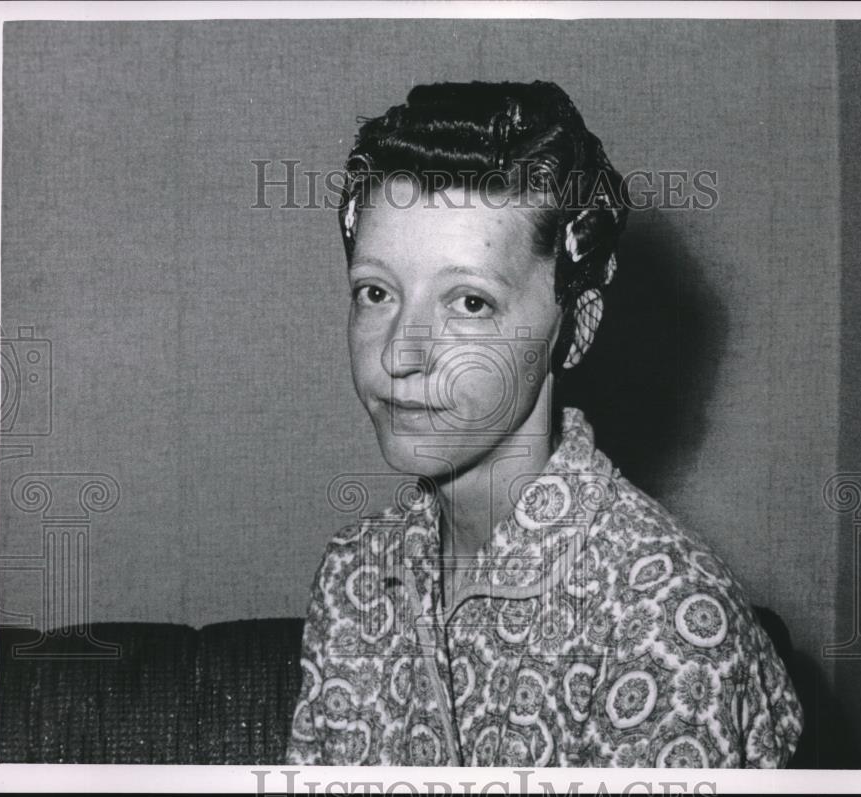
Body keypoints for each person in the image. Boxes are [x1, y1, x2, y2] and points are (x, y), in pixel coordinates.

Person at [285, 80, 803, 767]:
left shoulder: (666, 624)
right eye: (375, 292)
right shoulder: (353, 575)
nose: (399, 352)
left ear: (576, 325)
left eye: (469, 301)